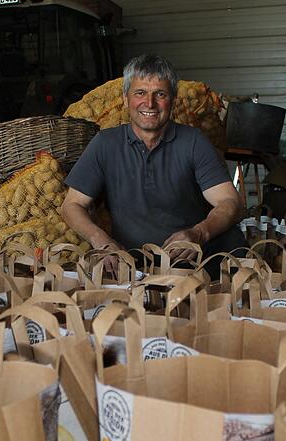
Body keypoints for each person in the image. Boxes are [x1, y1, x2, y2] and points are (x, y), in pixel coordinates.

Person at [60, 54, 246, 276]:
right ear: (126, 98)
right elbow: (71, 205)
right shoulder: (105, 143)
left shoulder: (193, 141)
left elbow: (229, 201)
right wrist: (101, 240)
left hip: (188, 254)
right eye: (140, 93)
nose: (149, 104)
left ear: (173, 99)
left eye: (160, 94)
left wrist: (198, 233)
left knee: (233, 241)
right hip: (132, 257)